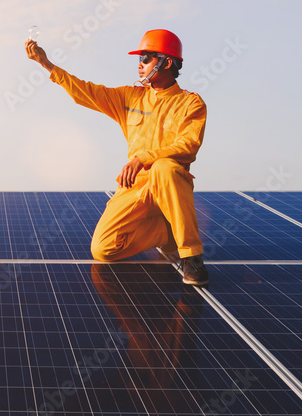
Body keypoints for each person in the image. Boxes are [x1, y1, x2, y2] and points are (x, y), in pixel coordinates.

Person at [25, 29, 209, 286]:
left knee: (164, 167)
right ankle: (167, 233)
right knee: (103, 250)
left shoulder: (191, 103)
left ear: (166, 62)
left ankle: (192, 257)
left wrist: (143, 158)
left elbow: (188, 145)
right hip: (134, 186)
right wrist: (47, 64)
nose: (140, 64)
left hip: (169, 186)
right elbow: (86, 92)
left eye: (146, 58)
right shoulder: (130, 97)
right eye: (139, 59)